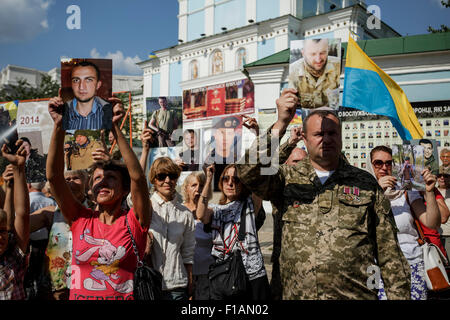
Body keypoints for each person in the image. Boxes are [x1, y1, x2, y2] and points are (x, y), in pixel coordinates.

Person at [236, 88, 411, 300]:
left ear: (341, 137)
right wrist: (280, 124)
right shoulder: (285, 179)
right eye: (318, 134)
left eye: (332, 133)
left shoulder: (365, 184)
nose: (325, 139)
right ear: (305, 139)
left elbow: (390, 254)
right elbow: (247, 172)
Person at [47, 94, 151, 300]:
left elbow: (138, 178)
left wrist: (114, 127)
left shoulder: (134, 220)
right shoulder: (79, 219)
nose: (102, 182)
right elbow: (54, 176)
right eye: (96, 178)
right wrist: (59, 126)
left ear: (124, 190)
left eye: (111, 178)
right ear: (90, 190)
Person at [368, 145, 441, 300]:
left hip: (412, 263)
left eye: (389, 163)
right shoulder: (365, 192)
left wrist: (429, 192)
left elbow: (432, 223)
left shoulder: (408, 191)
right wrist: (377, 191)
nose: (384, 167)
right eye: (378, 163)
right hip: (376, 267)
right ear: (370, 165)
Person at [196, 164, 271, 300]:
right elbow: (200, 214)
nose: (230, 183)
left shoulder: (249, 204)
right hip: (223, 276)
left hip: (252, 277)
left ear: (242, 184)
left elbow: (259, 184)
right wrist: (208, 179)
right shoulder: (215, 209)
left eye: (236, 179)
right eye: (226, 179)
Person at [29, 169, 89, 300]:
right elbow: (20, 226)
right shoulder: (51, 213)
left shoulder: (95, 211)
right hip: (57, 288)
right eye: (66, 179)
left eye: (76, 178)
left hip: (87, 284)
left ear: (86, 182)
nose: (71, 182)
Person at [145, 157, 195, 300]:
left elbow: (188, 252)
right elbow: (133, 190)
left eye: (172, 176)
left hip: (177, 286)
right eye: (161, 176)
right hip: (150, 285)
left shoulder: (185, 213)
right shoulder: (146, 207)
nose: (167, 180)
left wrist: (190, 283)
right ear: (154, 179)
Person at [0, 140, 30, 300]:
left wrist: (20, 170)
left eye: (3, 231)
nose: (1, 237)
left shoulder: (13, 256)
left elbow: (23, 215)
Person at [50, 61, 113, 131]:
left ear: (98, 85)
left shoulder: (107, 110)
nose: (81, 87)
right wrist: (58, 124)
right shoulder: (63, 112)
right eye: (76, 80)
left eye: (89, 80)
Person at [181, 171, 214, 300]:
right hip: (185, 272)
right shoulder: (180, 210)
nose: (198, 189)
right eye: (194, 185)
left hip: (206, 272)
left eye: (201, 186)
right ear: (186, 188)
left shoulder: (210, 212)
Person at [288, 39, 340, 109]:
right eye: (313, 54)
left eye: (322, 53)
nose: (318, 59)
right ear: (303, 53)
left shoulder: (337, 66)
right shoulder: (293, 71)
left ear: (328, 51)